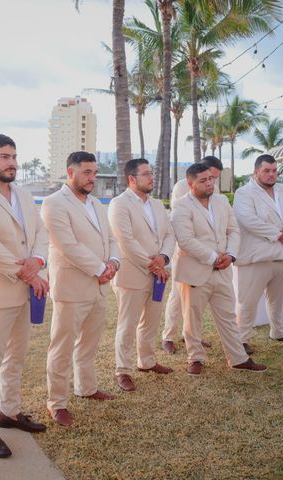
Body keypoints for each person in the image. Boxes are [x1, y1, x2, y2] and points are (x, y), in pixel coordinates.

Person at [0, 134, 49, 458]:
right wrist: (25, 271)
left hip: (24, 293)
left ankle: (10, 412)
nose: (12, 162)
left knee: (16, 358)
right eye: (4, 156)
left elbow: (40, 233)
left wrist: (39, 261)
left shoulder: (24, 195)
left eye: (14, 156)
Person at [41, 151, 120, 426]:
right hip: (72, 287)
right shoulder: (54, 203)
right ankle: (57, 402)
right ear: (70, 172)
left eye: (94, 172)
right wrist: (100, 269)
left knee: (88, 344)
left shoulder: (97, 203)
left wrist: (113, 262)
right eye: (87, 172)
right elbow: (67, 245)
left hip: (99, 287)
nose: (92, 178)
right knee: (61, 348)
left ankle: (86, 388)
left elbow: (111, 238)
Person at [171, 163, 267, 375]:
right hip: (195, 271)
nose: (209, 183)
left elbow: (233, 230)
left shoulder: (222, 201)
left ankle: (238, 358)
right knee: (192, 318)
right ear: (190, 183)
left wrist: (231, 255)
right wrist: (214, 257)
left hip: (223, 271)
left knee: (228, 317)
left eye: (211, 179)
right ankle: (195, 358)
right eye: (203, 180)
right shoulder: (181, 206)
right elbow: (185, 240)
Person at [108, 158, 175, 392]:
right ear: (132, 179)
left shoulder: (157, 205)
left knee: (151, 321)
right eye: (146, 174)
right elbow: (125, 241)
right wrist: (153, 265)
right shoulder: (119, 204)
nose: (152, 177)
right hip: (132, 273)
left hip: (158, 274)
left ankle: (146, 361)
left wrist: (164, 258)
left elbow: (169, 234)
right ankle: (122, 370)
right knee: (128, 324)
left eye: (152, 173)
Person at [233, 154, 283, 354]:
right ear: (256, 172)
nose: (271, 174)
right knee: (248, 301)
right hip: (256, 257)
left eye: (274, 170)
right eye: (266, 171)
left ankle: (278, 332)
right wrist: (280, 235)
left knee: (279, 298)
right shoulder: (244, 193)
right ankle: (241, 339)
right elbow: (248, 220)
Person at [162, 155, 223, 354]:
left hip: (210, 257)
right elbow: (183, 222)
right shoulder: (182, 188)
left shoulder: (215, 188)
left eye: (214, 178)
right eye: (209, 177)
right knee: (177, 298)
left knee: (197, 305)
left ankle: (193, 335)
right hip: (189, 256)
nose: (212, 182)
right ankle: (168, 336)